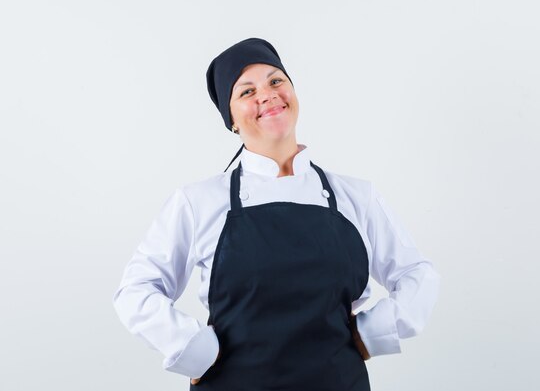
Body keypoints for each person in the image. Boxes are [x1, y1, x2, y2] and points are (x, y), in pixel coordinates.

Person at [112, 37, 440, 390]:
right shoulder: (198, 202)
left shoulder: (356, 197)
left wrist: (373, 331)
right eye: (246, 91)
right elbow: (136, 290)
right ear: (232, 120)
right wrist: (191, 349)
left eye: (275, 81)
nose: (267, 95)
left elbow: (416, 274)